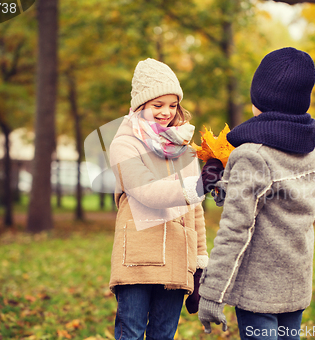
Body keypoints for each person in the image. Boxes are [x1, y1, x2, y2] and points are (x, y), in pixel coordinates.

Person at [197, 47, 315, 340]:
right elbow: (277, 202)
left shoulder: (253, 155)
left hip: (259, 291)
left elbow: (235, 229)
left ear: (261, 98)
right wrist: (226, 187)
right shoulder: (309, 147)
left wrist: (212, 294)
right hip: (296, 281)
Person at [109, 58, 208, 340]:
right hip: (138, 258)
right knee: (131, 332)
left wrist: (200, 262)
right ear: (141, 105)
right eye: (158, 105)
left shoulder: (185, 149)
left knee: (163, 335)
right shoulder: (125, 143)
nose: (167, 112)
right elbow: (146, 191)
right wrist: (198, 186)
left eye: (172, 105)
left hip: (178, 257)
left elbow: (196, 209)